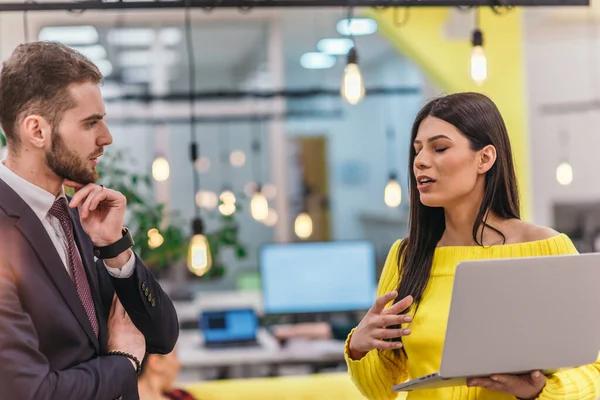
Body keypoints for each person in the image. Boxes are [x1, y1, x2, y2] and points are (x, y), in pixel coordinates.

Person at [344, 92, 600, 400]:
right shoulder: (406, 257)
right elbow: (380, 391)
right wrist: (358, 346)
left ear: (485, 158)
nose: (420, 161)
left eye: (439, 148)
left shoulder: (547, 248)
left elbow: (592, 373)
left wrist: (539, 391)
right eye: (417, 151)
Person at [0, 41, 179, 399]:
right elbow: (30, 393)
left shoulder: (76, 217)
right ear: (36, 130)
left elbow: (161, 337)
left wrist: (116, 249)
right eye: (90, 123)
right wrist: (124, 361)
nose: (106, 138)